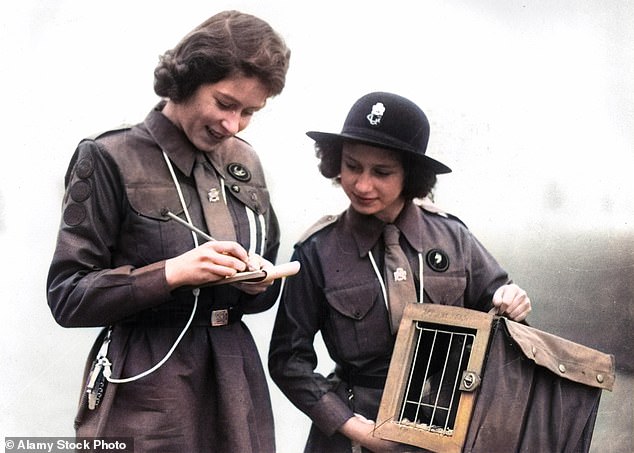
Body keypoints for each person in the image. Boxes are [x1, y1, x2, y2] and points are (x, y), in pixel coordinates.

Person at [47, 11, 290, 453]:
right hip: (148, 391)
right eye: (224, 103)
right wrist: (170, 273)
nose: (233, 124)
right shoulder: (108, 157)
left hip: (236, 386)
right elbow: (67, 296)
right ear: (187, 80)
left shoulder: (247, 163)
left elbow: (265, 290)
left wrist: (257, 280)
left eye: (250, 112)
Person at [268, 92, 532, 452]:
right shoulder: (316, 251)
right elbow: (288, 359)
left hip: (449, 425)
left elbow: (502, 317)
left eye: (382, 172)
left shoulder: (453, 237)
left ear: (411, 175)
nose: (362, 185)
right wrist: (351, 426)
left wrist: (512, 302)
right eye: (352, 166)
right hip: (356, 429)